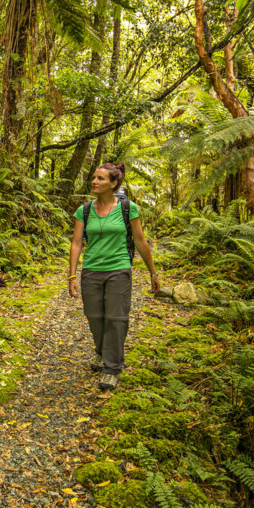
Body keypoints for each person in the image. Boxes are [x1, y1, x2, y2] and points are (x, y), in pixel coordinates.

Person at [67, 163, 159, 391]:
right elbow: (77, 243)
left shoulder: (128, 208)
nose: (94, 182)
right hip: (91, 270)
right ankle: (101, 351)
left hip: (119, 269)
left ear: (114, 183)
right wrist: (71, 275)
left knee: (116, 319)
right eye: (94, 178)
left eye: (100, 178)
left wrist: (153, 272)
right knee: (94, 316)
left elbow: (140, 241)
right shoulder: (84, 210)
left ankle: (112, 368)